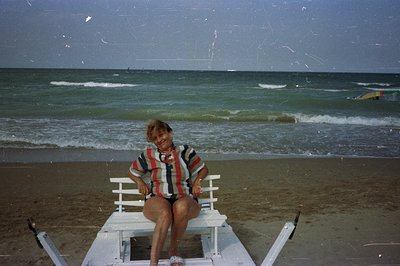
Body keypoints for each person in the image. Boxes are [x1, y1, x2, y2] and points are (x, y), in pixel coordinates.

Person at [128, 119, 209, 266]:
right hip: (157, 200)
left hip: (185, 199)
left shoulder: (186, 151)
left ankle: (174, 250)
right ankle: (153, 263)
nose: (159, 140)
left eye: (161, 134)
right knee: (165, 213)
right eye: (155, 138)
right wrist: (139, 182)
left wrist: (198, 181)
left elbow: (203, 169)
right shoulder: (148, 155)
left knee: (181, 207)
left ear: (170, 133)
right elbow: (132, 172)